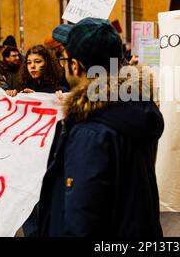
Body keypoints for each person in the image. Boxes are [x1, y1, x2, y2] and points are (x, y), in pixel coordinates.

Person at [37, 17, 164, 236]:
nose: (63, 65)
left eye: (64, 60)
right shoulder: (136, 106)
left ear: (75, 66)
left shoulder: (90, 131)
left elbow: (81, 219)